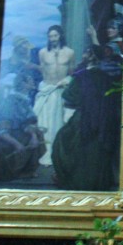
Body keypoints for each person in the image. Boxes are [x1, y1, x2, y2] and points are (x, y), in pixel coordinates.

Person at [51, 17, 123, 190]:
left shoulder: (90, 71)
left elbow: (71, 97)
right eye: (108, 27)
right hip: (104, 111)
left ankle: (76, 178)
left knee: (69, 139)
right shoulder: (104, 71)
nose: (109, 30)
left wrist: (93, 38)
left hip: (94, 112)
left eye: (113, 27)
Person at [33, 25, 75, 167]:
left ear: (60, 36)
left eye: (55, 36)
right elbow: (42, 70)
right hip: (47, 89)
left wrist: (66, 81)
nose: (52, 39)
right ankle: (43, 154)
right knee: (43, 122)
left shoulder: (69, 52)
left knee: (59, 122)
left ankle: (57, 155)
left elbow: (72, 73)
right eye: (50, 36)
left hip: (61, 91)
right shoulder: (43, 52)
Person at [0, 71, 45, 183]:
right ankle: (15, 171)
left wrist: (33, 137)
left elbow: (27, 123)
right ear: (23, 84)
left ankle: (26, 170)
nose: (33, 83)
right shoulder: (10, 102)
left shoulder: (24, 100)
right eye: (30, 81)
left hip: (18, 134)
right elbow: (1, 131)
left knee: (37, 135)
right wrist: (17, 144)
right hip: (7, 140)